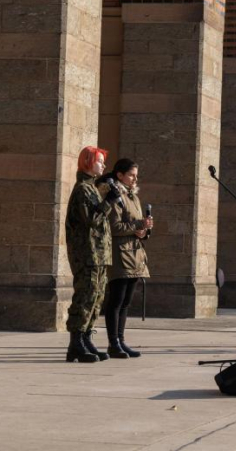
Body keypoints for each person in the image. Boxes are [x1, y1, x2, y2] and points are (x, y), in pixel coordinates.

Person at [64, 146, 121, 363]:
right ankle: (76, 343)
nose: (104, 165)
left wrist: (106, 197)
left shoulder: (92, 188)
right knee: (85, 296)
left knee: (97, 298)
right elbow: (92, 220)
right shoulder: (82, 190)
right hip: (86, 254)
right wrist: (108, 202)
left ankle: (86, 338)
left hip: (97, 254)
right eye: (99, 161)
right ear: (88, 162)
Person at [97, 158, 153, 358]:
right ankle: (113, 343)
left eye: (136, 176)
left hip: (135, 253)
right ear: (119, 175)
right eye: (131, 175)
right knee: (116, 300)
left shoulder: (133, 196)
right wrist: (138, 226)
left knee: (127, 302)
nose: (134, 179)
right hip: (120, 253)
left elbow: (136, 226)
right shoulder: (113, 194)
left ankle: (121, 340)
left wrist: (145, 229)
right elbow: (114, 226)